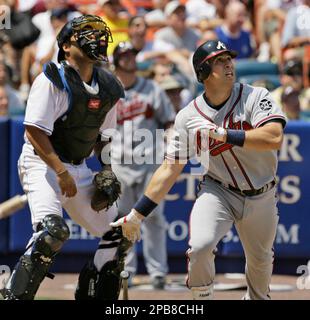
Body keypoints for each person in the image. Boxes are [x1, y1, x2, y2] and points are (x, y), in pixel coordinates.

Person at [111, 39, 287, 300]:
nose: (228, 63)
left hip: (262, 192)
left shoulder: (255, 96)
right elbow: (171, 167)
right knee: (200, 246)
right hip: (219, 190)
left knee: (260, 265)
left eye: (229, 58)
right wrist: (138, 214)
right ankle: (201, 300)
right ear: (203, 72)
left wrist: (223, 134)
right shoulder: (188, 116)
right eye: (219, 60)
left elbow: (274, 137)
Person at [1, 14, 131, 301]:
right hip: (42, 163)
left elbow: (105, 137)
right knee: (52, 232)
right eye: (85, 32)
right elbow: (35, 132)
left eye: (98, 32)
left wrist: (106, 171)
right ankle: (13, 296)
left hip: (78, 166)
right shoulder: (51, 78)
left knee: (121, 234)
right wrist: (61, 173)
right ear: (66, 45)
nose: (95, 38)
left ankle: (91, 293)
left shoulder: (108, 87)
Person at [111, 41, 176, 289]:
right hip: (119, 161)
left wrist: (170, 147)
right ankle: (125, 270)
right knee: (122, 218)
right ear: (116, 60)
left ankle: (158, 272)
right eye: (125, 55)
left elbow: (169, 121)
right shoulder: (109, 90)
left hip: (149, 160)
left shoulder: (152, 88)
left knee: (153, 216)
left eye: (133, 54)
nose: (130, 59)